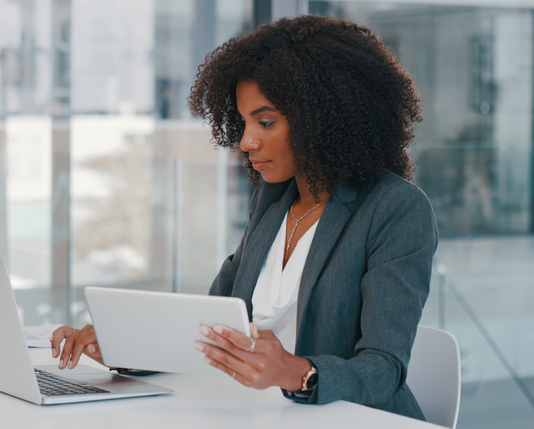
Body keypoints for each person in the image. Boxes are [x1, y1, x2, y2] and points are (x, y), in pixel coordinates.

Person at [50, 14, 437, 420]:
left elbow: (383, 369)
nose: (246, 141)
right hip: (263, 415)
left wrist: (295, 372)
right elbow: (208, 327)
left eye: (265, 122)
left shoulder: (395, 209)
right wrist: (123, 346)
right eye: (244, 121)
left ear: (321, 118)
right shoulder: (272, 202)